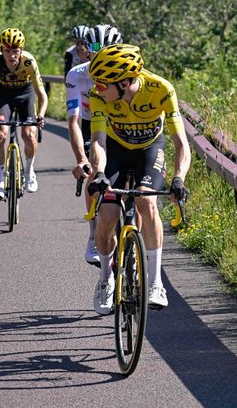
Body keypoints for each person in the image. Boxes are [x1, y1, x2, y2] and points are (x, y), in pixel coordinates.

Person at [86, 44, 191, 314]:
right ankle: (105, 279)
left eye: (103, 84)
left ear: (124, 82)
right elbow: (98, 141)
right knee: (107, 214)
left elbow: (181, 143)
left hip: (149, 149)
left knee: (147, 201)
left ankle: (156, 283)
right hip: (116, 150)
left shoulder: (160, 89)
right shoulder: (98, 96)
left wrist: (179, 178)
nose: (97, 89)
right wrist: (98, 172)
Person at [66, 24, 123, 265]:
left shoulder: (126, 71)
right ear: (87, 50)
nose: (103, 52)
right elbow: (74, 121)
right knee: (92, 168)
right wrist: (81, 158)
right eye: (97, 47)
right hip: (91, 123)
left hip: (121, 124)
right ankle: (93, 234)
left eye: (108, 47)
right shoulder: (77, 75)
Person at [0, 28, 47, 200]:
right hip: (5, 96)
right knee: (1, 134)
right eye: (7, 51)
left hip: (26, 95)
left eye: (16, 51)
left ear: (22, 50)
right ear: (2, 49)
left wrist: (40, 114)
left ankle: (30, 170)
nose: (12, 55)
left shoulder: (29, 62)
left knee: (28, 134)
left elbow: (42, 95)